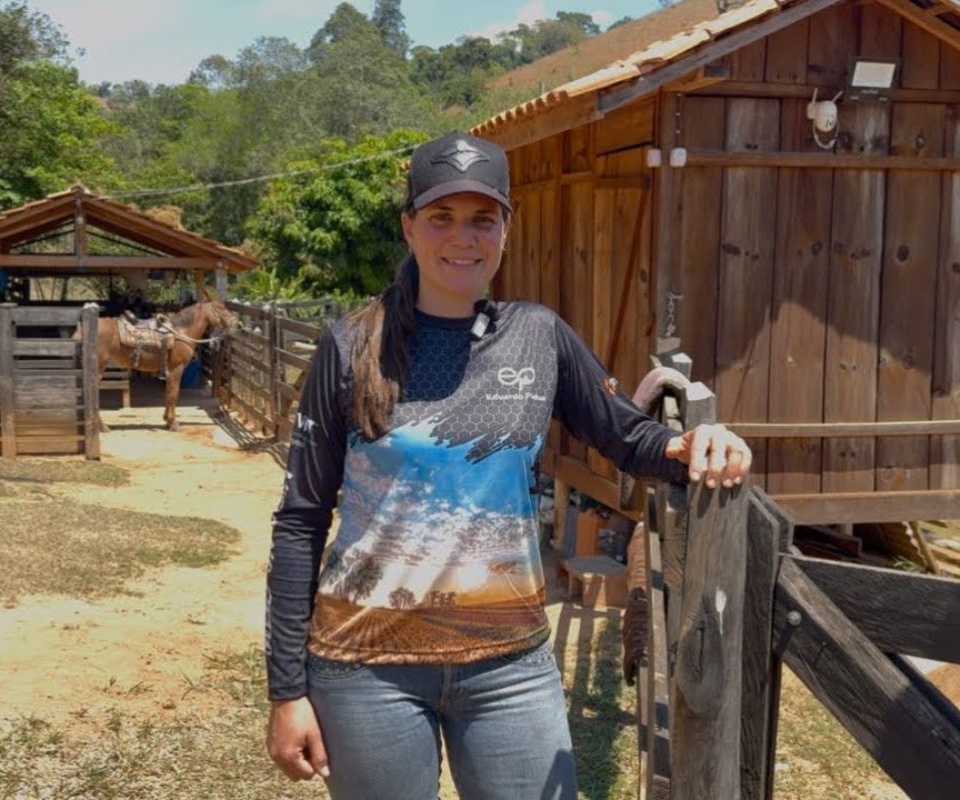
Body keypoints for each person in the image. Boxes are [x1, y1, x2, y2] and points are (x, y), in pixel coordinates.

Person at [265, 130, 751, 800]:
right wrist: (287, 691)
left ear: (505, 230)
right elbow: (300, 521)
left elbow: (625, 436)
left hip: (508, 668)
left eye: (482, 220)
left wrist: (697, 444)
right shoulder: (351, 346)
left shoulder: (536, 335)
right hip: (365, 667)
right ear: (409, 227)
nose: (463, 238)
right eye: (442, 218)